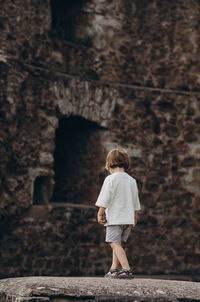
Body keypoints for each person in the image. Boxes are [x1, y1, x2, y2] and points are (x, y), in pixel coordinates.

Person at [95, 148, 141, 279]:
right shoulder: (132, 180)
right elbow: (135, 201)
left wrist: (100, 213)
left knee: (114, 243)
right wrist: (135, 217)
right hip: (128, 219)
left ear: (109, 163)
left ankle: (126, 269)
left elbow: (105, 198)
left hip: (115, 218)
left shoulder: (110, 179)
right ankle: (114, 269)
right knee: (118, 244)